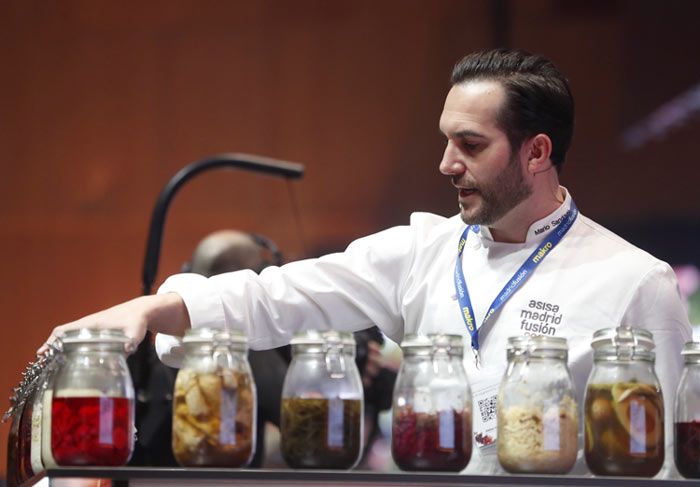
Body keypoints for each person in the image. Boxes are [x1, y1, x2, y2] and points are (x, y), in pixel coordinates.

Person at [42, 48, 692, 477]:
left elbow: (664, 469)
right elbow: (274, 298)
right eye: (445, 140)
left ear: (538, 151)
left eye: (470, 144)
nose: (446, 164)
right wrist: (147, 307)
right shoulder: (422, 249)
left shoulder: (635, 281)